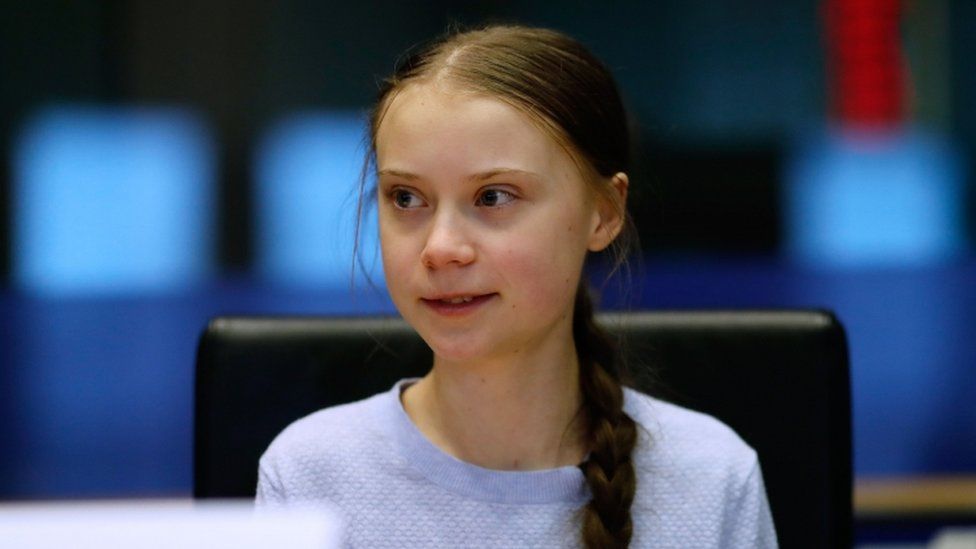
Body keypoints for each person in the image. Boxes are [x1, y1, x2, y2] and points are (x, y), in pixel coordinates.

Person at [256, 24, 777, 548]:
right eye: (407, 199)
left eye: (493, 197)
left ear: (604, 212)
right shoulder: (309, 475)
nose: (440, 248)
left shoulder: (711, 477)